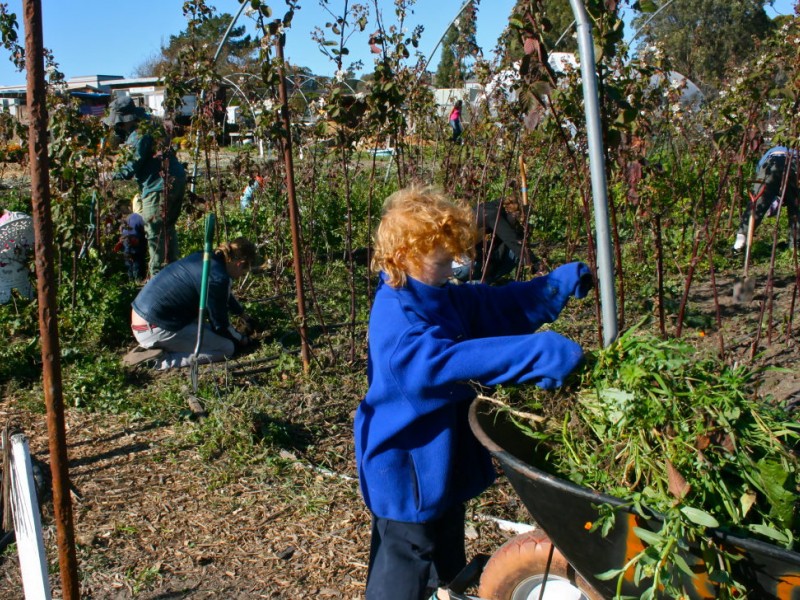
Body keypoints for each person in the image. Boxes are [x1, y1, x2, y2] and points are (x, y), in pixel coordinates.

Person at [354, 186, 593, 599]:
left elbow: (494, 306)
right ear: (405, 255)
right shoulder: (397, 318)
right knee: (407, 557)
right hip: (405, 466)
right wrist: (535, 353)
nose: (455, 267)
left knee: (446, 548)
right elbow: (444, 364)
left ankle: (449, 590)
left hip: (440, 460)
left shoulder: (440, 296)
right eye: (443, 260)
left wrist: (553, 288)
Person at [126, 237, 257, 370]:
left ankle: (161, 345)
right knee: (227, 347)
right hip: (155, 327)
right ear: (240, 264)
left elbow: (225, 295)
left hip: (145, 318)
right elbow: (220, 325)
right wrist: (242, 339)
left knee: (213, 333)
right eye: (243, 273)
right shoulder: (218, 278)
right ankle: (159, 361)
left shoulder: (206, 258)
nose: (240, 276)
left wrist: (243, 315)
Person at [104, 95, 187, 277]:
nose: (118, 127)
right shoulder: (150, 124)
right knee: (167, 229)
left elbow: (132, 166)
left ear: (125, 120)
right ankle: (174, 276)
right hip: (175, 179)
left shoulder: (140, 133)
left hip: (159, 186)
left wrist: (107, 176)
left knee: (155, 233)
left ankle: (157, 280)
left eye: (119, 123)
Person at [451, 197, 534, 283]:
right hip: (464, 267)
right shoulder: (493, 216)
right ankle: (477, 284)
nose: (516, 223)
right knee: (513, 254)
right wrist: (536, 265)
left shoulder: (486, 208)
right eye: (516, 219)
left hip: (453, 266)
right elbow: (515, 244)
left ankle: (473, 282)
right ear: (512, 212)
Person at [733, 145, 798, 252]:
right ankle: (795, 245)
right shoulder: (796, 153)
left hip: (769, 166)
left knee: (757, 204)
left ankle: (740, 242)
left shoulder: (771, 151)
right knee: (795, 206)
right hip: (793, 166)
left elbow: (759, 169)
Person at [113, 210, 147, 282]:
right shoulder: (136, 218)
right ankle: (134, 280)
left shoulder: (136, 218)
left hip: (136, 245)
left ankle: (135, 280)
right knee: (134, 263)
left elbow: (144, 229)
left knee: (136, 263)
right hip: (132, 246)